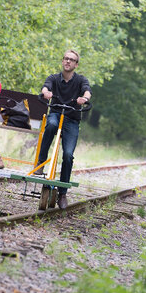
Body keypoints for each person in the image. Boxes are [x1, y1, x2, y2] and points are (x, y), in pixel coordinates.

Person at [34, 49, 91, 209]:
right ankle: (40, 163)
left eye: (71, 60)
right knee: (50, 124)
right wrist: (46, 93)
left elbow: (87, 90)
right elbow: (46, 87)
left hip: (71, 119)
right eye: (66, 59)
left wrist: (84, 99)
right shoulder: (54, 78)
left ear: (76, 64)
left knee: (68, 155)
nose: (68, 61)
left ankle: (63, 193)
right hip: (56, 114)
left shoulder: (80, 80)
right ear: (62, 61)